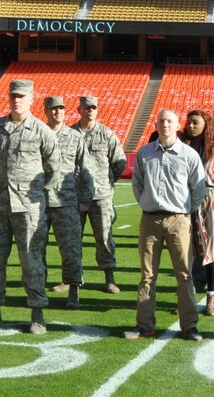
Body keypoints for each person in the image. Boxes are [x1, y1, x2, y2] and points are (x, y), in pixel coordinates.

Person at [0, 79, 59, 334]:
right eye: (13, 96)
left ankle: (37, 314)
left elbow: (53, 169)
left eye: (22, 96)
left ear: (32, 98)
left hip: (29, 207)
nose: (17, 100)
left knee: (31, 261)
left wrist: (34, 194)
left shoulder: (42, 131)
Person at [126, 109, 206, 341]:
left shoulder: (189, 155)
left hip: (178, 220)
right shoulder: (145, 153)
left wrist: (185, 213)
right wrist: (145, 203)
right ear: (157, 124)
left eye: (169, 121)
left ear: (177, 125)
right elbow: (137, 183)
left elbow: (198, 190)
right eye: (161, 121)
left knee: (184, 274)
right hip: (150, 219)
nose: (165, 125)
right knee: (147, 275)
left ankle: (189, 325)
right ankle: (144, 325)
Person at [73, 96, 127, 294]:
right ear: (79, 109)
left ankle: (109, 278)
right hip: (75, 197)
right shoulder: (69, 134)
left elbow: (120, 161)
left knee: (104, 238)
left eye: (93, 108)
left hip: (101, 197)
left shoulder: (106, 134)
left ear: (97, 110)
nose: (90, 111)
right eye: (86, 107)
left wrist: (107, 181)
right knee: (72, 239)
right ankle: (72, 279)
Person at [181, 110, 214, 316]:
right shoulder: (182, 148)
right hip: (185, 201)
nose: (191, 126)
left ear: (205, 125)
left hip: (210, 201)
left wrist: (211, 199)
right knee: (186, 251)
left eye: (195, 123)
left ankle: (211, 297)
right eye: (189, 123)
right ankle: (187, 297)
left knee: (210, 251)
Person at [42, 96, 85, 309]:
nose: (57, 112)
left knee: (71, 249)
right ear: (46, 111)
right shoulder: (37, 134)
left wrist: (84, 200)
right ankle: (37, 291)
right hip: (38, 201)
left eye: (61, 108)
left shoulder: (75, 137)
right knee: (35, 249)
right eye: (53, 109)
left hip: (66, 202)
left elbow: (84, 170)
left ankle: (74, 290)